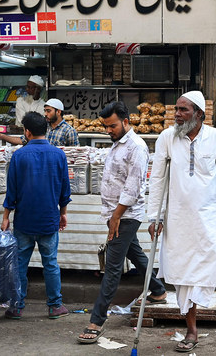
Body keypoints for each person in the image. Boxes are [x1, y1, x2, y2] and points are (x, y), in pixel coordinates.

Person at [146, 91, 216, 353]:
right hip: (177, 219)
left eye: (183, 110)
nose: (177, 114)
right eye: (176, 109)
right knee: (182, 275)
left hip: (209, 219)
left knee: (205, 270)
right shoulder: (167, 138)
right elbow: (157, 179)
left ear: (199, 113)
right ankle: (191, 329)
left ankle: (193, 325)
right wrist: (154, 216)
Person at [78, 101, 167, 344]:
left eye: (113, 126)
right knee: (135, 254)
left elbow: (133, 187)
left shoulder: (136, 147)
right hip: (114, 214)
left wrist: (116, 216)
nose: (109, 131)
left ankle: (97, 320)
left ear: (127, 121)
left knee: (113, 268)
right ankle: (158, 291)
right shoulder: (117, 145)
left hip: (125, 216)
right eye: (106, 127)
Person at [1, 111, 72, 320]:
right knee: (50, 263)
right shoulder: (59, 155)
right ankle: (55, 306)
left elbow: (11, 191)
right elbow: (64, 191)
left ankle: (17, 306)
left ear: (27, 132)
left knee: (20, 263)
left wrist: (6, 217)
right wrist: (63, 214)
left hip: (24, 220)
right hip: (49, 219)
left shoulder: (19, 155)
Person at [0, 98, 79, 147]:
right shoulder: (42, 126)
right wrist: (2, 136)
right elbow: (22, 140)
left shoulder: (69, 131)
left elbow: (75, 155)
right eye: (45, 111)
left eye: (48, 111)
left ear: (58, 112)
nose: (45, 114)